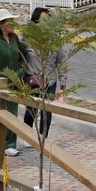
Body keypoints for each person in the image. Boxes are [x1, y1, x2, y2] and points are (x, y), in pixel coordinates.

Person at [22, 7, 68, 140]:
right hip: (33, 80)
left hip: (50, 81)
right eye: (43, 20)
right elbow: (21, 59)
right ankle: (27, 136)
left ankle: (43, 138)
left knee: (46, 112)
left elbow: (61, 61)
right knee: (31, 109)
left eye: (48, 20)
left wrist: (63, 82)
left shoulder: (55, 40)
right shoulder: (28, 39)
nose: (46, 23)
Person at [0, 8, 26, 156]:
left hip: (15, 83)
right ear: (1, 24)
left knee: (12, 112)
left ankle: (10, 144)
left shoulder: (15, 39)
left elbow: (23, 60)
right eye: (10, 22)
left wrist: (19, 74)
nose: (13, 24)